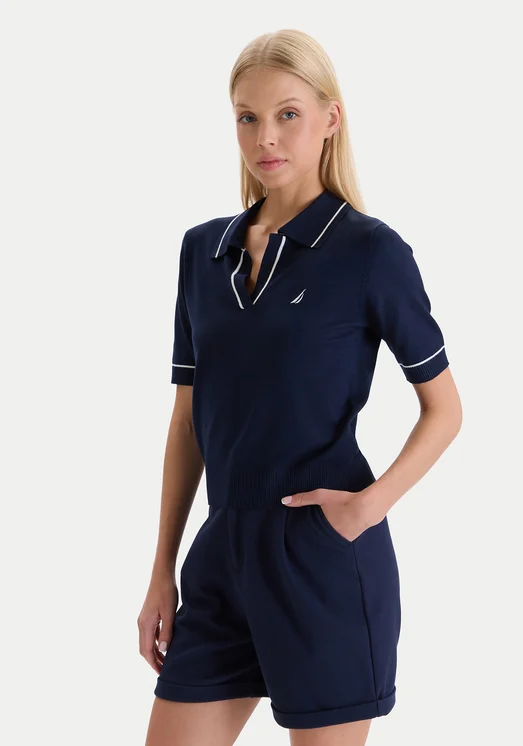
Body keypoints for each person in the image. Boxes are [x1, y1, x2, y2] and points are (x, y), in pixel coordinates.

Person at [139, 28, 462, 746]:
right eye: (247, 117)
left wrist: (366, 508)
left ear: (330, 118)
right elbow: (187, 421)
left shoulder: (370, 252)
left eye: (288, 114)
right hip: (221, 556)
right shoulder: (202, 251)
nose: (265, 137)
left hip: (321, 558)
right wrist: (162, 569)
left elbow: (445, 408)